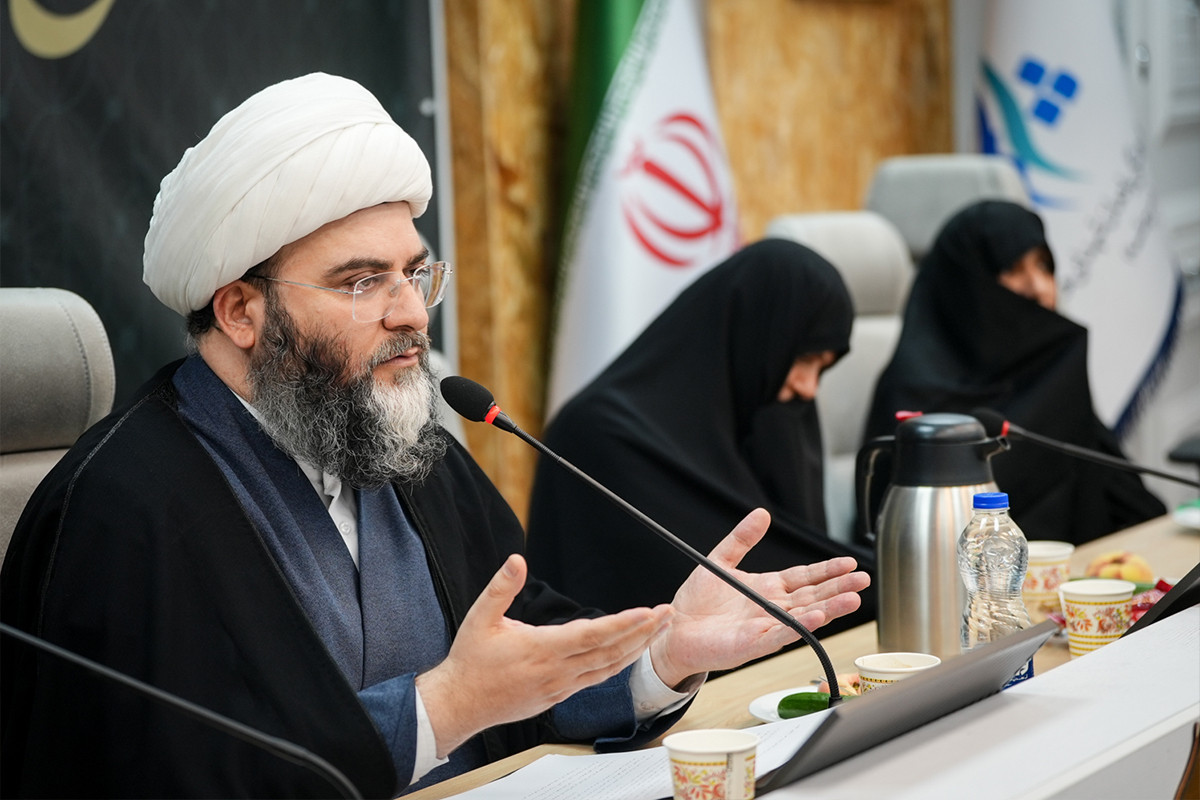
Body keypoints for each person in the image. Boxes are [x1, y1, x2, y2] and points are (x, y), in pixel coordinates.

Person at [0, 73, 869, 798]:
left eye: (415, 273)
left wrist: (662, 655)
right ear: (240, 312)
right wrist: (443, 709)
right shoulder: (125, 509)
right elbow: (168, 771)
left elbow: (525, 668)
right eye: (362, 282)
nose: (413, 313)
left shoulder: (412, 453)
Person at [526, 239, 876, 634]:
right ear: (754, 333)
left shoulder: (763, 411)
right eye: (803, 358)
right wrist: (885, 583)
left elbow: (798, 551)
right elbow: (746, 579)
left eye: (822, 369)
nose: (808, 387)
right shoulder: (601, 435)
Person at [862, 199, 1165, 545]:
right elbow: (903, 537)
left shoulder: (1048, 369)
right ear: (968, 287)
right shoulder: (913, 393)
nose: (1040, 288)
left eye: (1044, 266)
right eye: (1013, 269)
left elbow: (1121, 494)